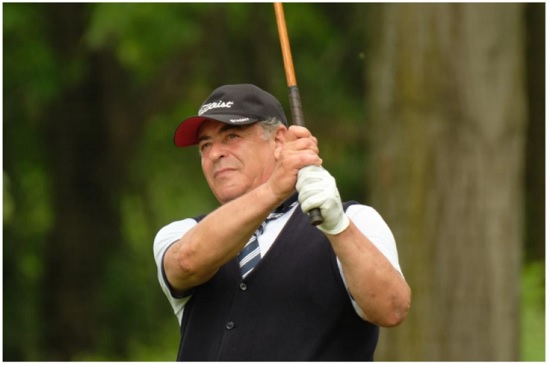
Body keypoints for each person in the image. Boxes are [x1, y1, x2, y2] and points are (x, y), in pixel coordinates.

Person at [153, 83, 411, 361]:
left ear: (278, 141)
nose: (215, 154)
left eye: (231, 136)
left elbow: (392, 309)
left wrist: (339, 229)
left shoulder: (356, 221)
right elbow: (187, 263)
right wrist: (274, 189)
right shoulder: (182, 233)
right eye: (205, 145)